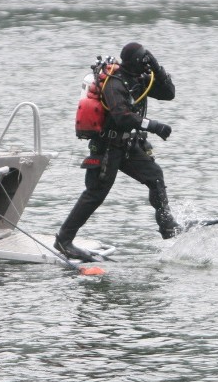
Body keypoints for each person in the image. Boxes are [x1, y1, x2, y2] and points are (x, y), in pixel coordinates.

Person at [55, 42, 181, 261]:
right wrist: (154, 126)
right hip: (106, 147)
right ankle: (64, 240)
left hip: (128, 146)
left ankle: (167, 225)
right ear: (135, 63)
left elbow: (168, 93)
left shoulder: (140, 78)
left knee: (155, 177)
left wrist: (157, 67)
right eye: (145, 62)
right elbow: (122, 117)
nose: (147, 68)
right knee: (95, 194)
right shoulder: (115, 84)